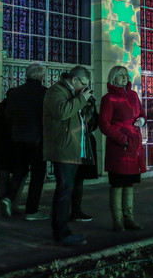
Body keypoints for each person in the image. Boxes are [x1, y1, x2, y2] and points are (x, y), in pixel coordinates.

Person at [42, 65, 94, 247]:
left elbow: (78, 117)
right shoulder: (55, 90)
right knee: (64, 190)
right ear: (74, 80)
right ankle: (61, 232)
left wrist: (87, 107)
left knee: (67, 189)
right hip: (62, 148)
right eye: (84, 83)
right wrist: (81, 99)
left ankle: (63, 230)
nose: (85, 87)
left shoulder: (73, 93)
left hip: (73, 147)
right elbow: (62, 112)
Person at [98, 65, 146, 231]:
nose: (124, 78)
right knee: (117, 183)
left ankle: (129, 218)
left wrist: (141, 121)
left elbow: (142, 113)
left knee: (129, 184)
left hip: (133, 147)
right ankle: (117, 220)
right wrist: (122, 139)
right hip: (119, 148)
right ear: (113, 78)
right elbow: (104, 124)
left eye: (126, 75)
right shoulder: (108, 99)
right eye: (120, 75)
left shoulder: (133, 95)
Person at [4, 62, 48, 221]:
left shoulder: (16, 92)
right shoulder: (45, 93)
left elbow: (8, 116)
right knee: (38, 175)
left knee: (19, 170)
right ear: (42, 76)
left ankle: (9, 197)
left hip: (18, 138)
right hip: (37, 139)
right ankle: (32, 210)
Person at [70, 95, 98, 222]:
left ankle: (75, 211)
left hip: (83, 142)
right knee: (73, 180)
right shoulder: (71, 100)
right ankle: (73, 211)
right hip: (76, 143)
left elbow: (94, 122)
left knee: (77, 180)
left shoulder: (88, 101)